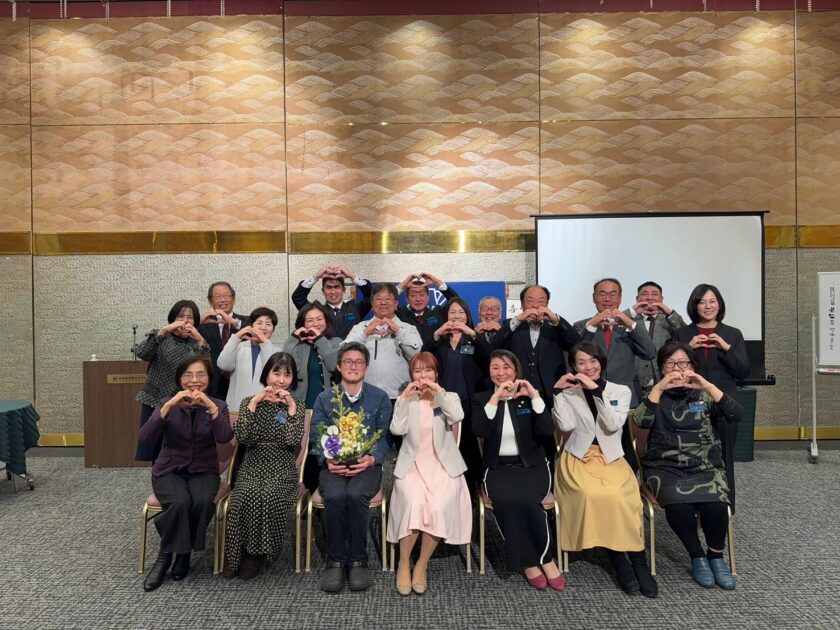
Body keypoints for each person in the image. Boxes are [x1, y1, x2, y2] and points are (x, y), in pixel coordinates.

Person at [633, 341, 742, 590]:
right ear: (662, 368)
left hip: (705, 465)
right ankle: (697, 556)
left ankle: (716, 556)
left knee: (717, 506)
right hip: (665, 467)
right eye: (670, 364)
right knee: (678, 507)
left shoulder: (704, 395)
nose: (677, 369)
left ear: (692, 366)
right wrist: (659, 387)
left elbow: (736, 414)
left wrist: (707, 385)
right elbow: (640, 421)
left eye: (683, 363)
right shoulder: (654, 395)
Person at [552, 342, 657, 598]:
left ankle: (639, 562)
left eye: (593, 361)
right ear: (573, 367)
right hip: (578, 457)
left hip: (611, 457)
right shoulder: (568, 394)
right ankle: (619, 559)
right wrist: (557, 393)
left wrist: (597, 392)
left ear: (601, 362)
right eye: (581, 363)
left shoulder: (620, 391)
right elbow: (565, 425)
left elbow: (612, 424)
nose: (588, 367)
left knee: (621, 497)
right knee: (592, 495)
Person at [137, 355, 233, 592]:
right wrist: (168, 407)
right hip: (169, 469)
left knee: (202, 502)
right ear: (180, 379)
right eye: (188, 375)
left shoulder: (218, 405)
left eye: (201, 374)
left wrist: (211, 408)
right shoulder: (166, 403)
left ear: (209, 378)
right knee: (179, 502)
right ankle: (166, 557)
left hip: (204, 470)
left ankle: (183, 553)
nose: (194, 380)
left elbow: (224, 437)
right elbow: (145, 437)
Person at [472, 350, 564, 591]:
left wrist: (534, 396)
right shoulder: (482, 399)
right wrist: (496, 398)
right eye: (495, 367)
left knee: (529, 500)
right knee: (507, 501)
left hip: (533, 466)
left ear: (516, 370)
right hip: (498, 468)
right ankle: (530, 562)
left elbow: (546, 431)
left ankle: (545, 558)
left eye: (507, 367)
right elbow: (479, 429)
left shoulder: (529, 398)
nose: (501, 373)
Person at [387, 353, 472, 596]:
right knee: (413, 501)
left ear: (436, 373)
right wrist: (404, 399)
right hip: (412, 464)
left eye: (428, 370)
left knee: (437, 504)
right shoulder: (407, 399)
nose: (423, 376)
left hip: (443, 465)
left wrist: (439, 393)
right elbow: (397, 429)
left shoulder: (448, 397)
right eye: (418, 371)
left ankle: (422, 564)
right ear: (411, 375)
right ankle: (404, 562)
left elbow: (457, 416)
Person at [311, 342, 393, 593]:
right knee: (336, 495)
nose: (353, 366)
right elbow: (316, 435)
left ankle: (358, 559)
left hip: (367, 465)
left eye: (359, 362)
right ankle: (336, 561)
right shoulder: (325, 398)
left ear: (366, 367)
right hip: (333, 465)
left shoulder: (379, 397)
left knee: (356, 494)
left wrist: (372, 459)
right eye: (348, 361)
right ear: (339, 366)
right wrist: (327, 459)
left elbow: (385, 437)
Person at [223, 352, 306, 580]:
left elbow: (291, 440)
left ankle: (256, 554)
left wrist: (290, 407)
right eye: (276, 373)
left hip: (282, 465)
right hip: (253, 462)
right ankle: (235, 554)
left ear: (293, 379)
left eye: (287, 375)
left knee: (268, 495)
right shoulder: (249, 402)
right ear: (266, 375)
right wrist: (254, 403)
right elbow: (243, 437)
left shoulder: (297, 405)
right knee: (244, 496)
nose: (281, 380)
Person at [676, 284, 749, 511]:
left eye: (712, 301)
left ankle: (725, 509)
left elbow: (743, 373)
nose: (707, 306)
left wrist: (726, 348)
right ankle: (695, 507)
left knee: (724, 456)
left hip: (724, 404)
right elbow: (670, 369)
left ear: (719, 304)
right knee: (693, 455)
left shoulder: (733, 334)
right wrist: (688, 348)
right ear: (694, 306)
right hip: (691, 403)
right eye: (702, 302)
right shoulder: (682, 334)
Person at [422, 297, 491, 492]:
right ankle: (445, 489)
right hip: (443, 403)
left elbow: (491, 355)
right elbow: (424, 355)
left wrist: (472, 333)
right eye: (452, 312)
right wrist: (437, 334)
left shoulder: (474, 338)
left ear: (467, 316)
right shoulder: (440, 340)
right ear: (446, 316)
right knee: (445, 445)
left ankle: (472, 491)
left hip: (468, 402)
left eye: (461, 312)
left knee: (468, 448)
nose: (457, 316)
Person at [135, 300, 210, 461]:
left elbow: (206, 369)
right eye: (180, 316)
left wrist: (200, 340)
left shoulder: (198, 343)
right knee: (154, 446)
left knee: (178, 449)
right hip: (156, 399)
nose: (185, 321)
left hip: (185, 402)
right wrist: (163, 330)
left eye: (190, 317)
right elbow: (141, 353)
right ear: (172, 318)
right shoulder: (161, 336)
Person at [283, 302, 342, 492]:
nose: (316, 323)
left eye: (319, 319)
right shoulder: (297, 345)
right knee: (303, 455)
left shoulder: (335, 342)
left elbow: (334, 364)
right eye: (310, 320)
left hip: (327, 409)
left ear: (326, 321)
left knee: (324, 453)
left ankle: (320, 497)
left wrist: (320, 340)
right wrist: (293, 339)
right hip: (301, 407)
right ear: (302, 324)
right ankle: (304, 494)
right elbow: (288, 367)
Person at [574, 278, 656, 406]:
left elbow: (649, 353)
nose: (607, 299)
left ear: (620, 298)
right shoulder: (582, 326)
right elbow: (574, 355)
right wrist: (593, 324)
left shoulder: (632, 326)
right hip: (590, 394)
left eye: (613, 294)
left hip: (626, 397)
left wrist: (629, 322)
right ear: (594, 298)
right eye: (602, 294)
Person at [492, 284, 580, 403]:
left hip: (550, 392)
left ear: (547, 305)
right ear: (522, 305)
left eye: (540, 301)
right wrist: (518, 319)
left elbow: (577, 344)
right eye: (530, 301)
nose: (535, 305)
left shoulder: (556, 327)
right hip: (517, 391)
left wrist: (555, 319)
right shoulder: (512, 325)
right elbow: (494, 346)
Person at [343, 283, 422, 402]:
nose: (383, 302)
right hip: (365, 396)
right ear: (372, 304)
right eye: (379, 299)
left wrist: (398, 331)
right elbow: (343, 354)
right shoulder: (359, 328)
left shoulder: (408, 329)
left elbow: (416, 355)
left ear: (396, 304)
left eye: (388, 299)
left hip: (400, 396)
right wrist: (365, 333)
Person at [216, 307, 282, 413]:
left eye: (268, 324)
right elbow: (223, 365)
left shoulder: (277, 352)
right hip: (236, 408)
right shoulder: (238, 347)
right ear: (251, 326)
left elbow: (270, 373)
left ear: (273, 330)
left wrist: (265, 342)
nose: (263, 327)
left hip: (265, 410)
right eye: (259, 323)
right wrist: (236, 337)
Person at [623, 281, 686, 392]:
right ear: (637, 299)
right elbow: (615, 323)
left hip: (664, 381)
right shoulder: (629, 320)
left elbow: (685, 333)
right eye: (645, 294)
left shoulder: (669, 320)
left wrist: (669, 312)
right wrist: (632, 310)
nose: (649, 298)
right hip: (634, 383)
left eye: (654, 294)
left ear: (662, 299)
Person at [197, 282, 250, 399]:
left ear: (233, 299)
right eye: (217, 296)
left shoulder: (247, 321)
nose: (222, 300)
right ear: (210, 301)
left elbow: (257, 334)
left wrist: (234, 323)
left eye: (226, 296)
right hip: (212, 386)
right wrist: (198, 322)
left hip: (241, 382)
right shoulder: (203, 324)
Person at [292, 264, 372, 339]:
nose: (333, 292)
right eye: (329, 287)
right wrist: (315, 277)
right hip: (323, 349)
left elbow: (371, 295)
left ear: (343, 290)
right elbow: (298, 298)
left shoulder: (357, 307)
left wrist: (352, 276)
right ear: (323, 291)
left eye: (336, 287)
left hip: (352, 349)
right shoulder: (317, 311)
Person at [396, 272, 459, 345]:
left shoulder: (438, 313)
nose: (418, 299)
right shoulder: (400, 314)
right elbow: (388, 302)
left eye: (422, 295)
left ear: (428, 297)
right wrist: (402, 286)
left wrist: (437, 282)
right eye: (413, 295)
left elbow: (457, 302)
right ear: (407, 299)